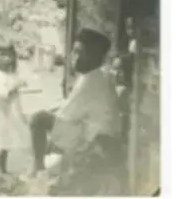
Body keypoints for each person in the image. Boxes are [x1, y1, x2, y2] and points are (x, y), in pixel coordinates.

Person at [29, 28, 124, 196]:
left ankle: (39, 169)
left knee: (38, 119)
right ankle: (51, 171)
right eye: (74, 50)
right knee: (54, 119)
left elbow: (66, 115)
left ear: (96, 57)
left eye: (80, 51)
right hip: (100, 134)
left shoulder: (90, 81)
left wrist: (50, 142)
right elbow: (71, 108)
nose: (74, 56)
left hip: (97, 141)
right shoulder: (98, 75)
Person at [0, 39, 32, 184]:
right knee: (1, 145)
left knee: (7, 144)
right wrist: (16, 85)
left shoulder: (8, 74)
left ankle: (3, 169)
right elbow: (2, 93)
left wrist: (19, 82)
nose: (6, 58)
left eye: (8, 55)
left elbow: (14, 86)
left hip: (8, 115)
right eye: (1, 54)